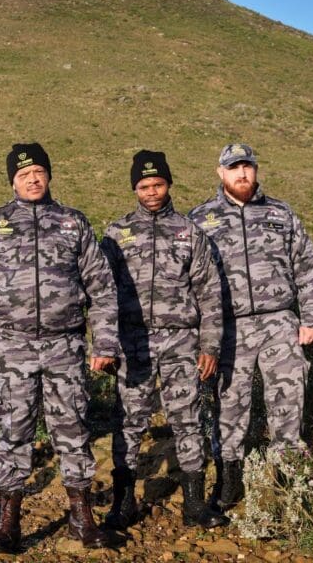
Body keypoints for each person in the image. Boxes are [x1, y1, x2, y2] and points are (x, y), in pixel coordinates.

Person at [0, 143, 119, 552]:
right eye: (25, 173)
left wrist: (105, 342)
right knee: (13, 432)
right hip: (12, 346)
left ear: (50, 176)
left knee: (74, 429)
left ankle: (81, 518)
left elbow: (101, 288)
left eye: (40, 172)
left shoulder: (72, 223)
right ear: (12, 179)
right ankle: (9, 522)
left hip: (65, 345)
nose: (33, 179)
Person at [188, 143, 313, 510]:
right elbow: (190, 280)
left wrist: (311, 319)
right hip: (228, 329)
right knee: (229, 407)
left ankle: (291, 487)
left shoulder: (281, 213)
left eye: (247, 166)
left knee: (288, 403)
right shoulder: (200, 219)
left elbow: (306, 266)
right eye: (233, 168)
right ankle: (229, 484)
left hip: (279, 322)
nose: (242, 174)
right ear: (221, 173)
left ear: (256, 170)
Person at [101, 150, 227, 530]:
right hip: (132, 343)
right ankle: (123, 502)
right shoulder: (116, 234)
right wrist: (105, 343)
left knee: (188, 420)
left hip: (181, 342)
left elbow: (209, 293)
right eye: (143, 186)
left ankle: (194, 503)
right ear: (134, 189)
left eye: (157, 184)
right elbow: (101, 292)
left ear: (169, 184)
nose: (151, 192)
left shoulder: (190, 233)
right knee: (129, 422)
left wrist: (210, 346)